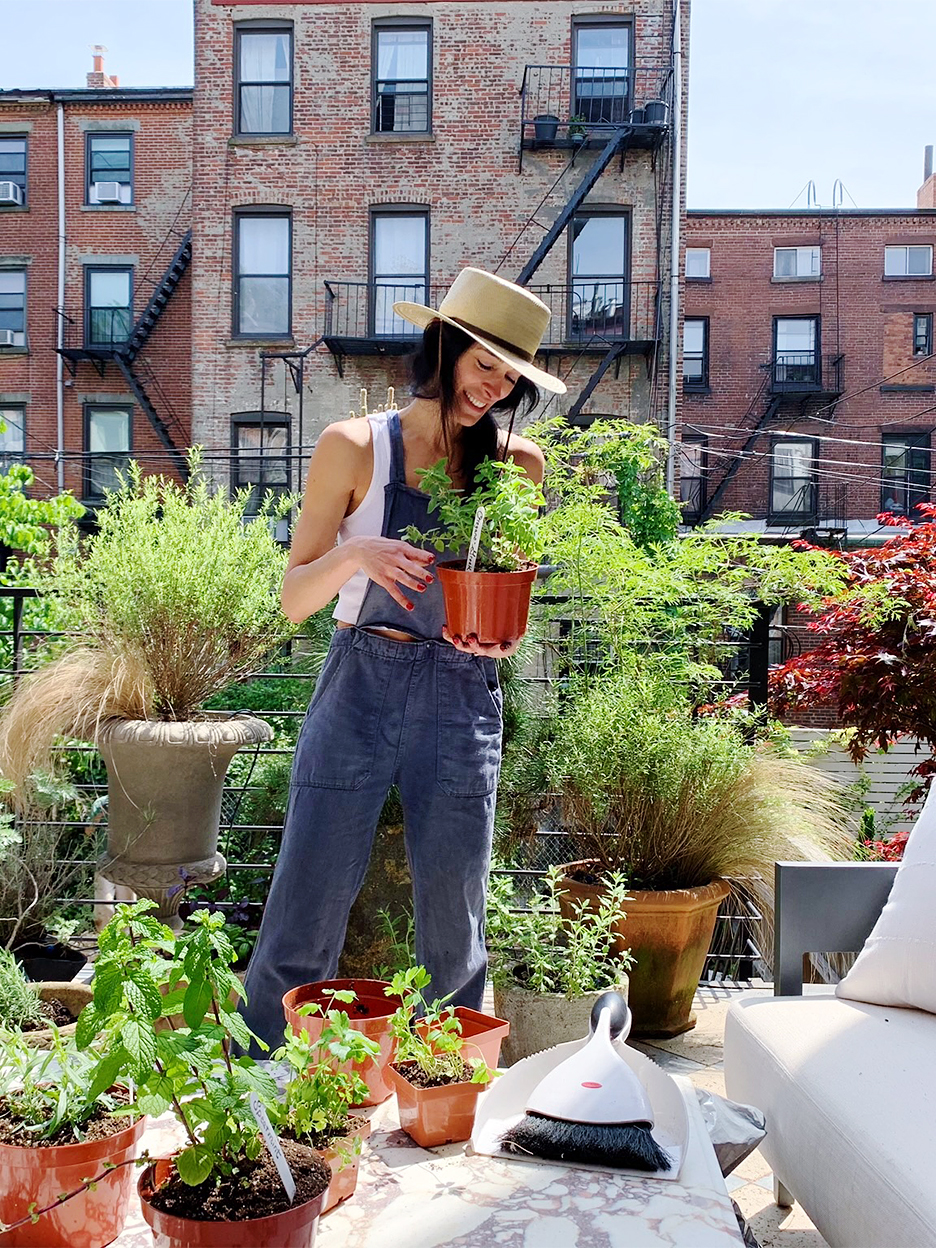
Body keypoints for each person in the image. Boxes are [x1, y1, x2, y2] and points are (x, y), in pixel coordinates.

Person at [241, 267, 567, 1052]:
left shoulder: (519, 468)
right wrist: (360, 558)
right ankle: (258, 1083)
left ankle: (445, 1094)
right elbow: (292, 599)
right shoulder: (352, 447)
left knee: (455, 924)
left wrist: (499, 635)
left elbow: (508, 593)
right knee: (306, 906)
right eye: (483, 362)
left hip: (461, 695)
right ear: (445, 346)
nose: (492, 387)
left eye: (510, 375)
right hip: (360, 682)